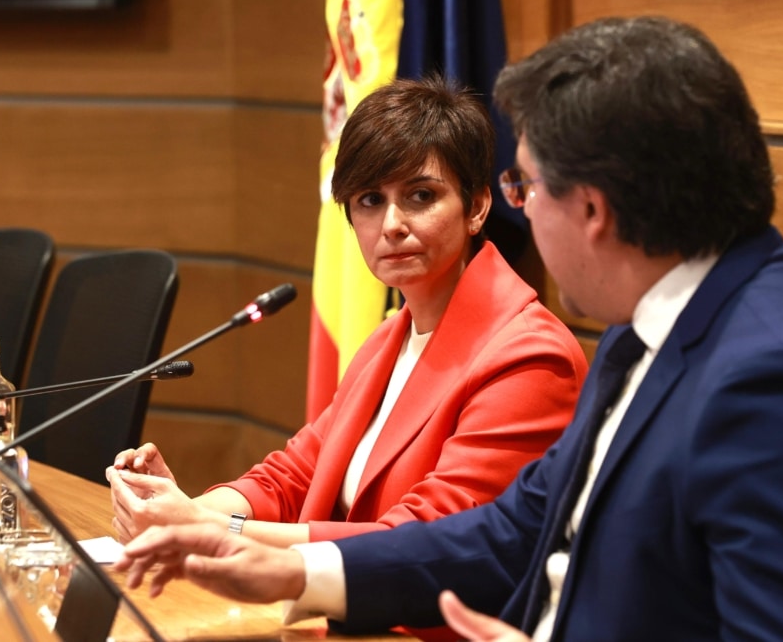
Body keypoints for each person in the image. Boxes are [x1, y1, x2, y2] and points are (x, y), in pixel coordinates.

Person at [113, 16, 783, 641]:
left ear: (593, 209)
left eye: (524, 185)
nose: (519, 209)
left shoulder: (781, 378)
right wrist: (287, 567)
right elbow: (514, 530)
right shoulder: (656, 331)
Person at [107, 75, 588, 551]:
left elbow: (425, 542)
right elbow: (292, 477)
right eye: (370, 201)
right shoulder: (389, 340)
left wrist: (207, 531)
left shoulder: (529, 358)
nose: (392, 225)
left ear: (477, 206)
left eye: (421, 196)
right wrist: (179, 510)